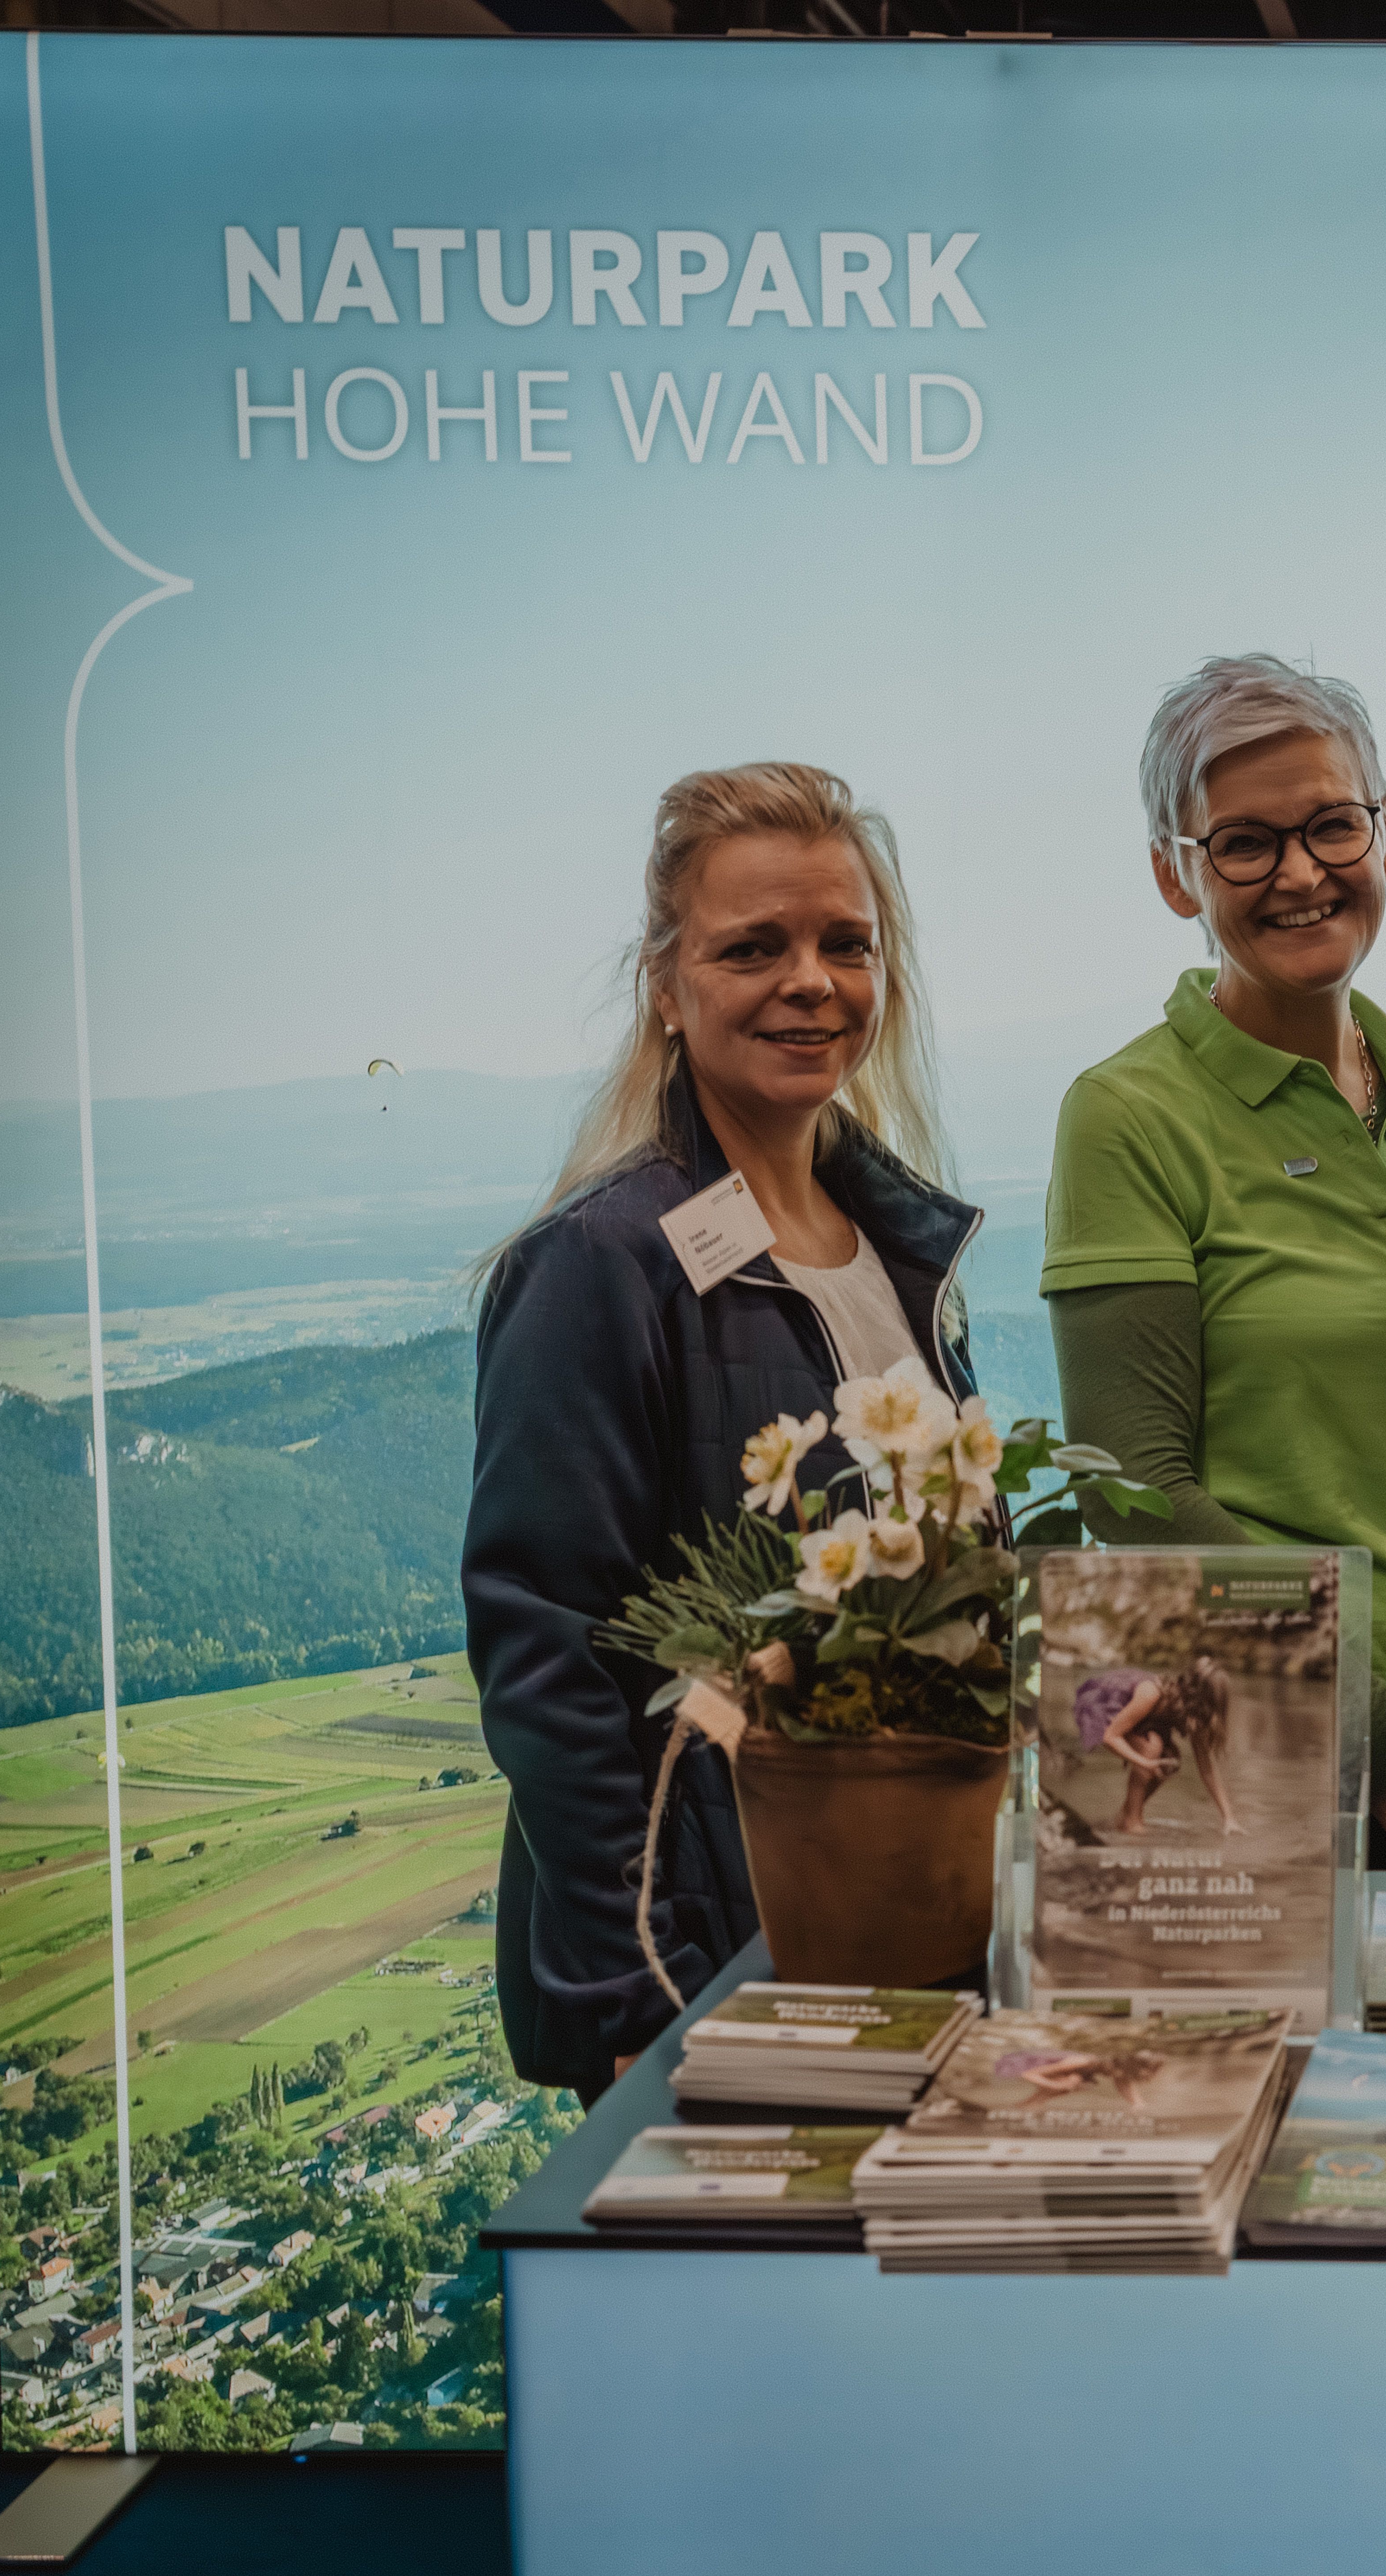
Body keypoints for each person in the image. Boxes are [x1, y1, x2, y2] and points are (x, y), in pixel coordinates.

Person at [467, 761, 977, 2096]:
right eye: (752, 945)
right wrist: (640, 1997)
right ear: (665, 978)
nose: (809, 980)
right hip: (718, 1971)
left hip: (907, 1928)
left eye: (844, 943)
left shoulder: (895, 1246)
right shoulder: (600, 1264)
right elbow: (547, 1661)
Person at [1045, 654, 1386, 1871]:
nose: (1301, 873)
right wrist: (1380, 1741)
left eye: (1332, 825)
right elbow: (1140, 1493)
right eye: (1243, 844)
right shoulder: (1125, 1113)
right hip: (1258, 1750)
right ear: (1178, 876)